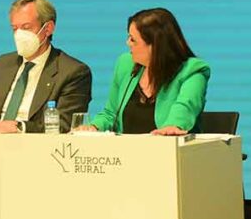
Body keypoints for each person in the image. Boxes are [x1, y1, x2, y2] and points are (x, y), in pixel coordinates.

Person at [0, 0, 91, 133]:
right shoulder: (3, 64)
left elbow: (64, 125)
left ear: (48, 28)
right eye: (15, 29)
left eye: (26, 27)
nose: (19, 35)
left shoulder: (73, 72)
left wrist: (18, 127)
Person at [80, 8, 209, 135]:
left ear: (155, 45)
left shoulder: (192, 71)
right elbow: (111, 114)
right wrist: (94, 127)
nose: (127, 43)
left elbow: (186, 106)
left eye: (133, 39)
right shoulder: (125, 64)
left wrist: (173, 126)